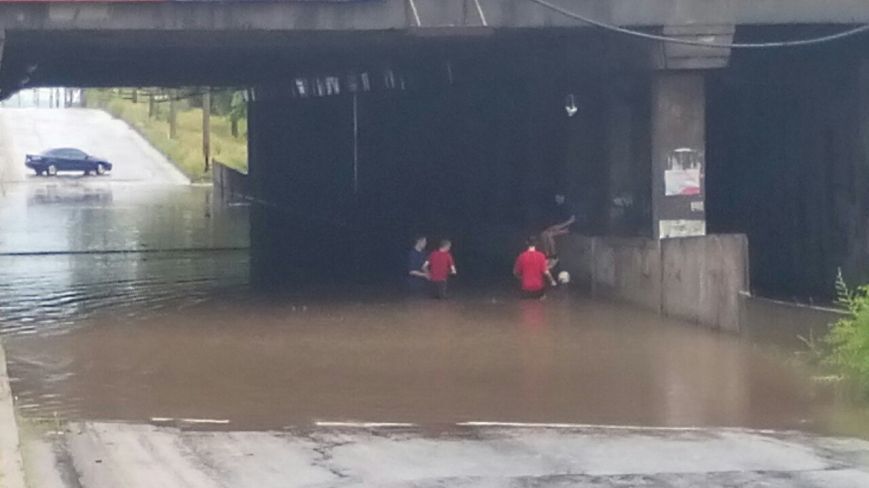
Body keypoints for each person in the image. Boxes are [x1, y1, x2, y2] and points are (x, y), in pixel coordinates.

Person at [540, 193, 576, 267]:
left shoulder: (569, 207)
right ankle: (547, 256)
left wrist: (556, 227)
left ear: (562, 197)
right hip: (560, 227)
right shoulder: (558, 207)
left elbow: (571, 221)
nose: (556, 200)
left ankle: (554, 256)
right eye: (555, 198)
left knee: (549, 235)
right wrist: (552, 227)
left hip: (569, 228)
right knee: (543, 234)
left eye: (558, 198)